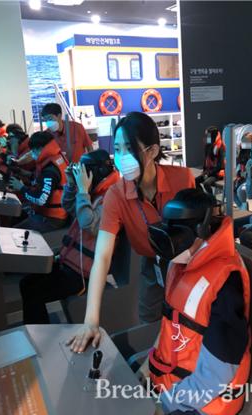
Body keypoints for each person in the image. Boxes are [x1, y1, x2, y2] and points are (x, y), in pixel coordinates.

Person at [67, 112, 195, 353]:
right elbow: (102, 256)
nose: (121, 157)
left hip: (188, 265)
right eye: (117, 149)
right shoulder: (116, 195)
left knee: (187, 323)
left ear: (153, 151)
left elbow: (199, 233)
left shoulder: (182, 179)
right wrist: (91, 321)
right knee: (150, 321)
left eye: (129, 148)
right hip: (152, 265)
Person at [147, 188, 251, 415]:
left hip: (205, 402)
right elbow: (171, 323)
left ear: (202, 231)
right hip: (174, 384)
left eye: (178, 235)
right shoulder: (180, 264)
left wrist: (165, 403)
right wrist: (150, 367)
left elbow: (218, 373)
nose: (170, 242)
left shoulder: (225, 281)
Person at [19, 150, 119, 324]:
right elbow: (69, 207)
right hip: (71, 263)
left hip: (83, 275)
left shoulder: (111, 198)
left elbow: (89, 223)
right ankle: (37, 331)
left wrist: (83, 191)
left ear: (98, 172)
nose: (83, 176)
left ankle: (38, 334)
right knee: (26, 283)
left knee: (34, 293)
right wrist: (72, 184)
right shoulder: (96, 192)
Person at [9, 131, 69, 232]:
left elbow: (41, 199)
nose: (32, 154)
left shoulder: (50, 170)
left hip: (52, 218)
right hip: (49, 212)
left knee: (14, 232)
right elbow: (45, 182)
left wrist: (21, 188)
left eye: (33, 151)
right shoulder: (57, 157)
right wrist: (24, 173)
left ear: (40, 148)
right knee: (16, 216)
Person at [195, 126, 225, 194]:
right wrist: (204, 171)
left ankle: (211, 199)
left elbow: (220, 166)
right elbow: (206, 159)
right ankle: (203, 196)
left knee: (206, 184)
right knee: (194, 181)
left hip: (217, 173)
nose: (206, 137)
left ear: (213, 135)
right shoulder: (208, 145)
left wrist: (209, 174)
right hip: (208, 172)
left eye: (208, 135)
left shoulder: (220, 146)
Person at [234, 132, 252, 210]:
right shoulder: (242, 151)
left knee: (240, 190)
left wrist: (242, 175)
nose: (244, 143)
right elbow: (239, 166)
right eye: (243, 141)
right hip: (242, 176)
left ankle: (244, 208)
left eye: (247, 141)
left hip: (251, 179)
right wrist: (239, 175)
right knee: (228, 188)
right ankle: (242, 207)